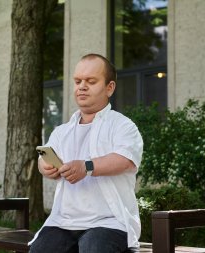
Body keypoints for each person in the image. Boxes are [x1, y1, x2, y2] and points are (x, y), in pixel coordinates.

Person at [29, 53, 143, 253]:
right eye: (78, 81)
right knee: (40, 250)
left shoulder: (123, 126)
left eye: (91, 81)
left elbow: (125, 160)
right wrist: (45, 167)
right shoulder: (61, 131)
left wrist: (87, 166)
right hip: (64, 221)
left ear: (110, 88)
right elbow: (43, 158)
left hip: (109, 222)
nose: (82, 86)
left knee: (93, 248)